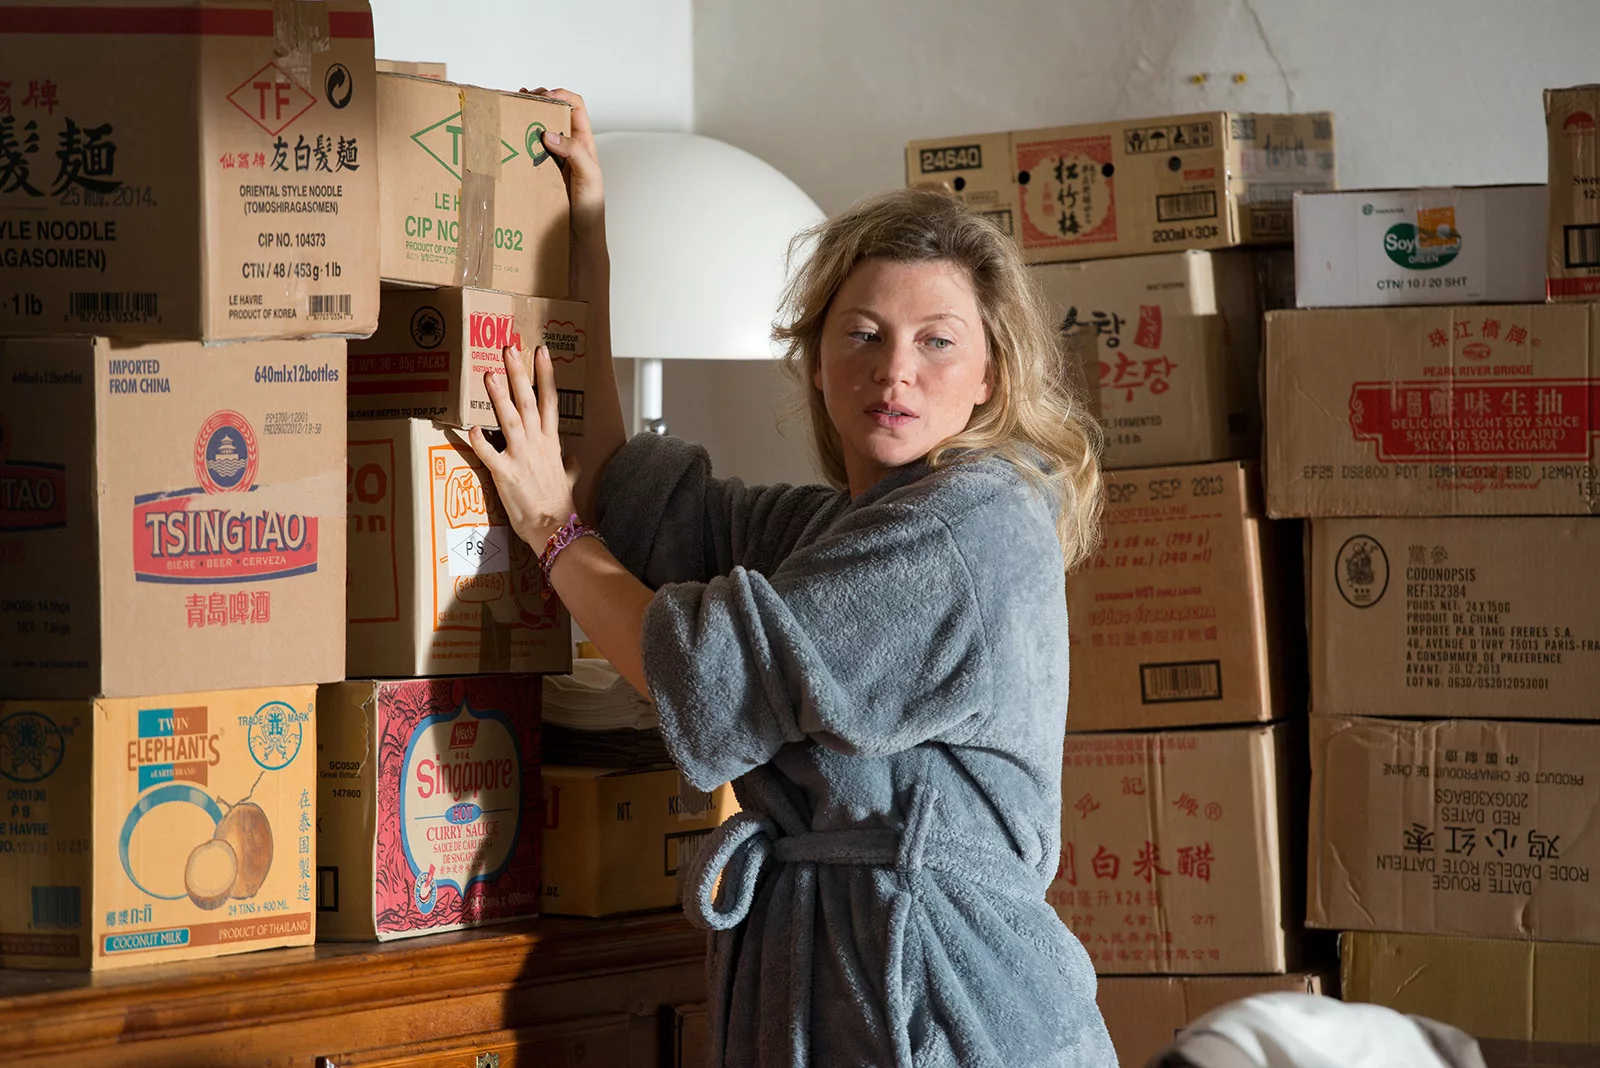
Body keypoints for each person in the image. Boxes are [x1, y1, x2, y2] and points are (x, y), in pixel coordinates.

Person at [469, 88, 1116, 1068]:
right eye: (862, 334)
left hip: (949, 1010)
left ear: (990, 374)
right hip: (833, 984)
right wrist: (586, 235)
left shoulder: (968, 526)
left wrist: (552, 537)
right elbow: (627, 497)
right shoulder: (840, 531)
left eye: (937, 341)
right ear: (815, 359)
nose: (894, 371)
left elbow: (705, 671)